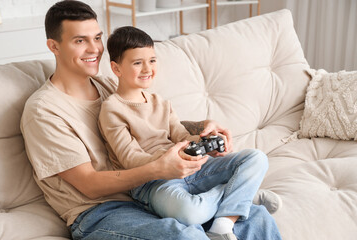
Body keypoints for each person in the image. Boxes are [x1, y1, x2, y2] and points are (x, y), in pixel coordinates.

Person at [20, 1, 282, 240]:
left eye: (97, 38)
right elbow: (89, 184)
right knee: (187, 237)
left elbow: (155, 125)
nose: (95, 49)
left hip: (150, 192)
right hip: (101, 212)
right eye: (80, 41)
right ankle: (230, 192)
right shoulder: (44, 111)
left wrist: (202, 128)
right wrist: (160, 168)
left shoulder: (108, 85)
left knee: (255, 218)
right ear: (54, 46)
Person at [98, 26, 280, 240]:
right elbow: (130, 159)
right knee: (191, 213)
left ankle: (223, 222)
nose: (147, 68)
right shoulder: (112, 109)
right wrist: (170, 158)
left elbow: (182, 136)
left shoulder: (161, 102)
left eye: (152, 60)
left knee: (256, 158)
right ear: (116, 68)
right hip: (152, 182)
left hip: (191, 167)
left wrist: (206, 141)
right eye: (137, 63)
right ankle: (240, 196)